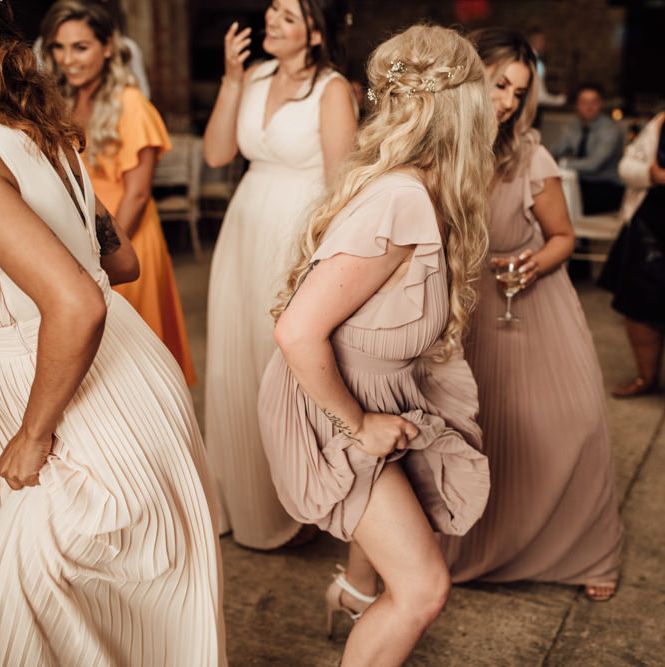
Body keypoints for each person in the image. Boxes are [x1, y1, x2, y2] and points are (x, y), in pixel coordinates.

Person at [0, 1, 224, 664]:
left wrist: (36, 433)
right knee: (119, 621)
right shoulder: (44, 131)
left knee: (5, 627)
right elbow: (117, 263)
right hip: (129, 372)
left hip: (62, 389)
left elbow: (77, 304)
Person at [258, 24, 493, 666]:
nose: (498, 106)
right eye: (486, 91)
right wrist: (359, 423)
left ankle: (353, 594)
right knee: (422, 589)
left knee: (407, 553)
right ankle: (364, 601)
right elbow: (297, 331)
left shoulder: (419, 190)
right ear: (461, 107)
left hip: (369, 389)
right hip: (331, 400)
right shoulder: (399, 200)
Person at [438, 28, 623, 602]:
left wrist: (533, 262)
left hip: (526, 300)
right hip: (456, 304)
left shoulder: (529, 155)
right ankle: (474, 548)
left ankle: (584, 549)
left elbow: (564, 236)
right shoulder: (437, 149)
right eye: (499, 84)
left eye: (518, 92)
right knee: (476, 429)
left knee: (573, 423)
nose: (507, 102)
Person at [202, 0, 358, 549]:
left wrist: (321, 261)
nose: (271, 20)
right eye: (273, 9)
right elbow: (219, 154)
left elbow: (342, 186)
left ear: (315, 33)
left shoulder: (332, 90)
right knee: (233, 362)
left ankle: (296, 502)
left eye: (288, 16)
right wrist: (229, 81)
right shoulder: (253, 75)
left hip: (296, 237)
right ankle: (239, 499)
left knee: (279, 363)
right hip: (244, 229)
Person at [40, 0, 196, 383]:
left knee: (134, 359)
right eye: (59, 48)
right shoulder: (64, 103)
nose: (68, 60)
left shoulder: (132, 105)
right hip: (80, 239)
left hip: (127, 241)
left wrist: (100, 255)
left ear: (108, 46)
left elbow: (138, 194)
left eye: (81, 47)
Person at [598, 111, 665, 397]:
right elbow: (626, 166)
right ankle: (646, 378)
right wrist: (650, 174)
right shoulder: (661, 122)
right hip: (649, 226)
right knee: (637, 305)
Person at [552, 83, 625, 214]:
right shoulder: (573, 126)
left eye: (594, 102)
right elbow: (556, 150)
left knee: (561, 202)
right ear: (577, 105)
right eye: (584, 102)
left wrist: (564, 163)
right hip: (579, 182)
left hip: (605, 186)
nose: (589, 107)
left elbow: (594, 164)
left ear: (600, 104)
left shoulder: (610, 129)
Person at [528, 26, 565, 108]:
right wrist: (559, 100)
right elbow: (539, 96)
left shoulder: (529, 58)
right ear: (536, 40)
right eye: (543, 40)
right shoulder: (535, 62)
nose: (545, 44)